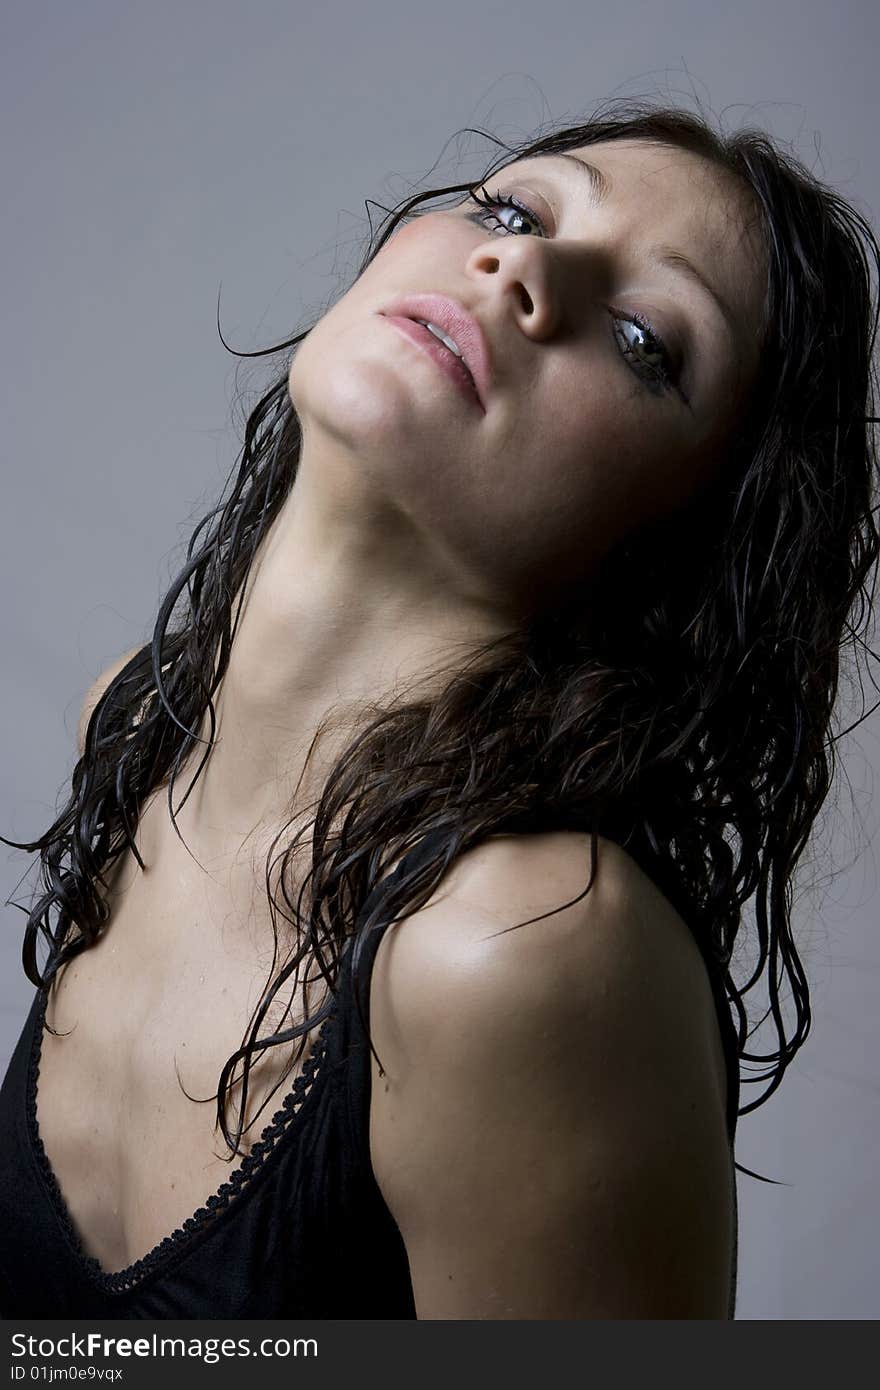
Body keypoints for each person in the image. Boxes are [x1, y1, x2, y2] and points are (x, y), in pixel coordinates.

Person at [1, 95, 878, 1320]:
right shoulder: (135, 723)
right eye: (514, 207)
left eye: (641, 338)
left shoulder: (523, 946)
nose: (524, 264)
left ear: (671, 553)